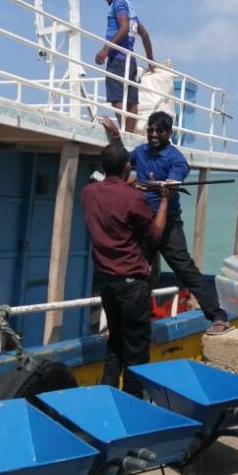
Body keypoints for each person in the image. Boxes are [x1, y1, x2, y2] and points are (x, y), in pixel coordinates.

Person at [102, 111, 234, 336]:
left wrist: (168, 184)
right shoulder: (140, 152)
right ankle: (128, 322)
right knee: (134, 273)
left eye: (159, 131)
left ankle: (218, 316)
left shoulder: (175, 158)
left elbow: (178, 174)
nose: (153, 134)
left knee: (185, 269)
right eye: (150, 130)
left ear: (169, 133)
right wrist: (116, 138)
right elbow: (122, 163)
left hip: (168, 225)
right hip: (143, 223)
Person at [82, 142, 170, 397]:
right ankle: (132, 401)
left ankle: (108, 396)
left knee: (115, 342)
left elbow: (111, 198)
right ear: (127, 167)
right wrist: (165, 200)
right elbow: (154, 235)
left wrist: (125, 185)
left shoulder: (88, 193)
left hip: (106, 282)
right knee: (136, 350)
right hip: (132, 283)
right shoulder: (134, 197)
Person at [94, 0, 154, 135]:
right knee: (131, 99)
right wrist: (151, 61)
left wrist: (106, 49)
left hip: (118, 58)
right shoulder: (129, 9)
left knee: (116, 96)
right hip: (130, 60)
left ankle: (124, 132)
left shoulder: (118, 3)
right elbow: (145, 35)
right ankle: (130, 134)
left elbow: (124, 27)